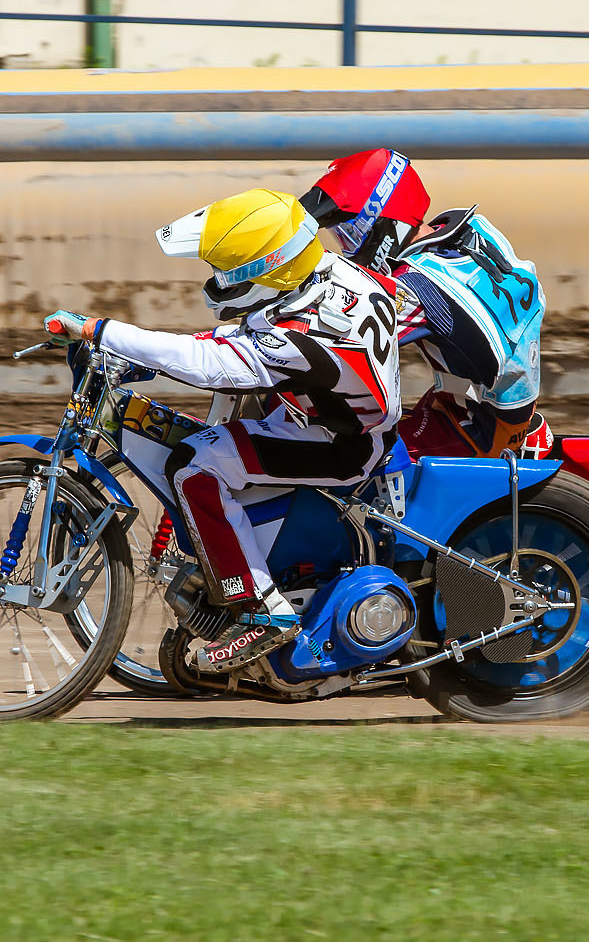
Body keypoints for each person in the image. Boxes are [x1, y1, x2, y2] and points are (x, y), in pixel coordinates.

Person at [44, 187, 403, 674]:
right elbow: (241, 334)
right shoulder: (332, 272)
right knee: (221, 422)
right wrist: (139, 356)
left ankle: (261, 608)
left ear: (269, 267)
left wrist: (99, 330)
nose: (218, 280)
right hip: (329, 412)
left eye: (229, 272)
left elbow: (208, 362)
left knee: (192, 466)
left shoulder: (298, 339)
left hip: (339, 445)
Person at [298, 148, 550, 460]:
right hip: (500, 403)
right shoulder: (471, 231)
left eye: (349, 235)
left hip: (475, 428)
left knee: (336, 456)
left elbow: (344, 338)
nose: (347, 248)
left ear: (382, 220)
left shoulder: (416, 287)